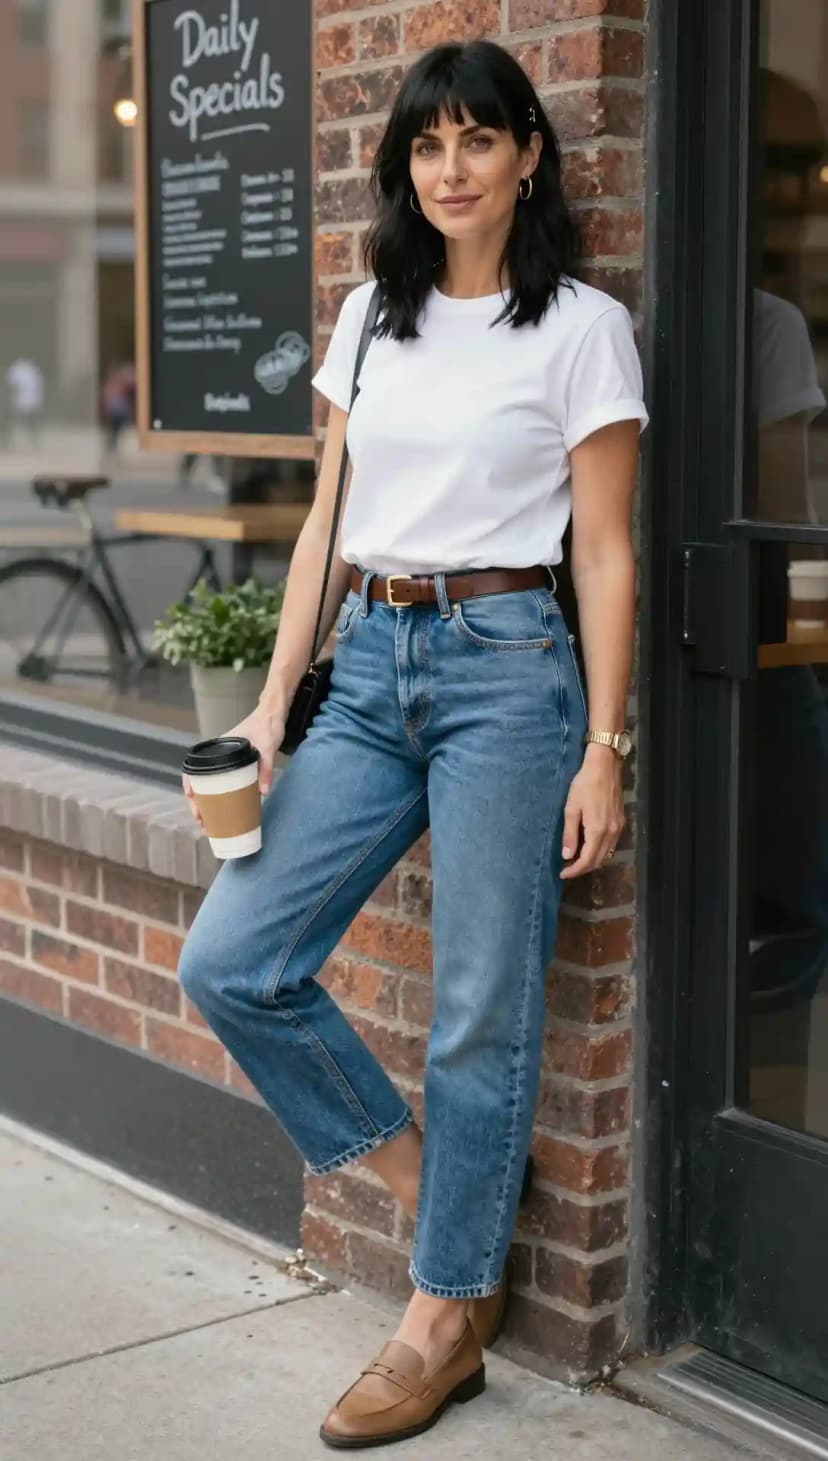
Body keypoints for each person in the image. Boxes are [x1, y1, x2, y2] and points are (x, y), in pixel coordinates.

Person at [178, 39, 647, 1449]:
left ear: (527, 159)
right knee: (233, 961)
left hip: (511, 670)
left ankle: (446, 1312)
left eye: (477, 141)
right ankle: (431, 1180)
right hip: (371, 664)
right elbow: (327, 523)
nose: (449, 169)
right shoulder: (369, 321)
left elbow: (610, 553)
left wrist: (604, 744)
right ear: (405, 167)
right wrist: (274, 702)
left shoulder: (578, 328)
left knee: (483, 1009)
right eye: (426, 146)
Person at [6, 356, 44, 445]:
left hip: (26, 400)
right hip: (25, 400)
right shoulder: (29, 370)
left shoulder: (27, 369)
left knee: (28, 422)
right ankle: (11, 442)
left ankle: (32, 441)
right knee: (22, 421)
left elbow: (13, 386)